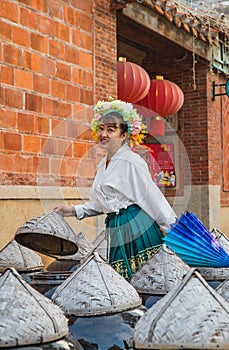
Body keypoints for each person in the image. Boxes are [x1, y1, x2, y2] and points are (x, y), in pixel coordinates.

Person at [54, 99, 177, 281]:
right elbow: (103, 203)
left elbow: (152, 198)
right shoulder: (104, 164)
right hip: (117, 228)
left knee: (144, 281)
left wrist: (174, 231)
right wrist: (72, 210)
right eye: (101, 128)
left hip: (137, 228)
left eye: (111, 130)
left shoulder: (132, 162)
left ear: (123, 135)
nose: (104, 134)